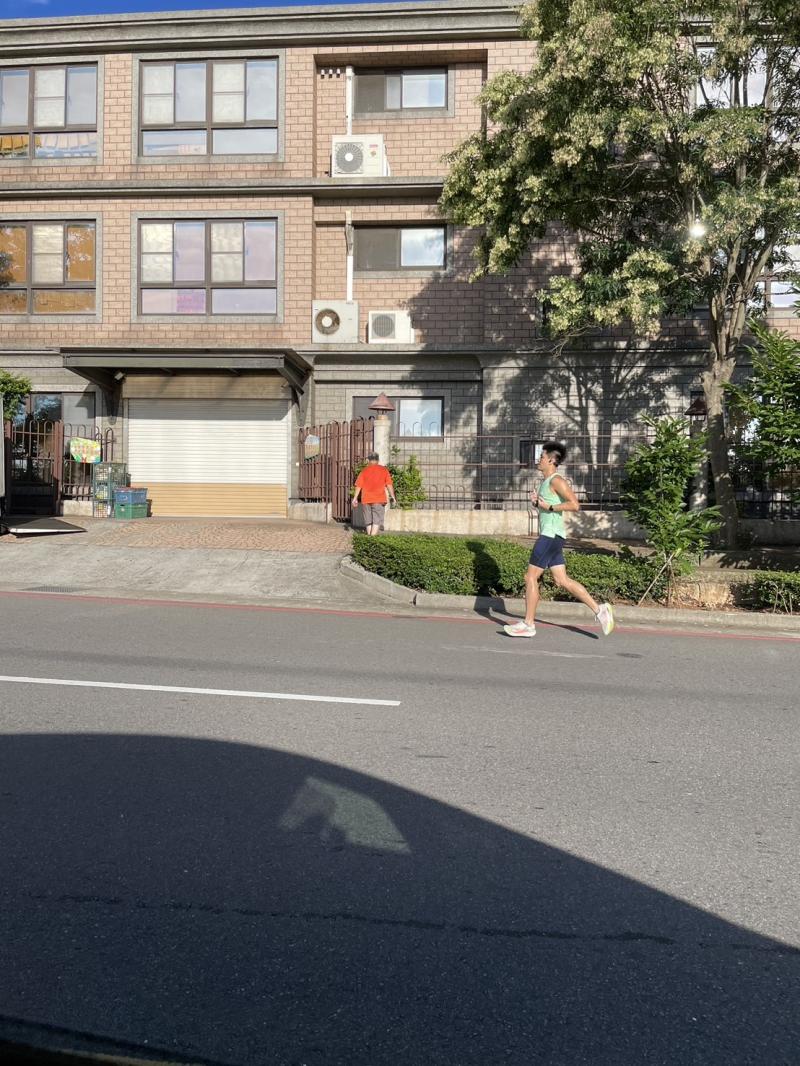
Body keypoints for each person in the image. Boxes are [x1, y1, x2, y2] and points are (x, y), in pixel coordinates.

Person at [504, 441, 615, 638]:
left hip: (550, 536)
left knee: (530, 577)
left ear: (551, 460)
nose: (538, 460)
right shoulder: (546, 482)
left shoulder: (557, 481)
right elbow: (549, 506)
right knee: (561, 580)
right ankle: (600, 610)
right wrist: (537, 503)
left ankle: (528, 624)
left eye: (541, 457)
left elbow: (575, 505)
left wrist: (549, 507)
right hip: (554, 536)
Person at [352, 453, 396, 536]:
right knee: (377, 520)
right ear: (378, 460)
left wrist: (355, 498)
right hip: (378, 499)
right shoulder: (384, 470)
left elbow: (359, 485)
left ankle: (369, 537)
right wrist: (393, 496)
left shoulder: (364, 471)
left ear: (368, 460)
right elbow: (389, 485)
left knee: (368, 520)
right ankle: (371, 539)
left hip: (366, 499)